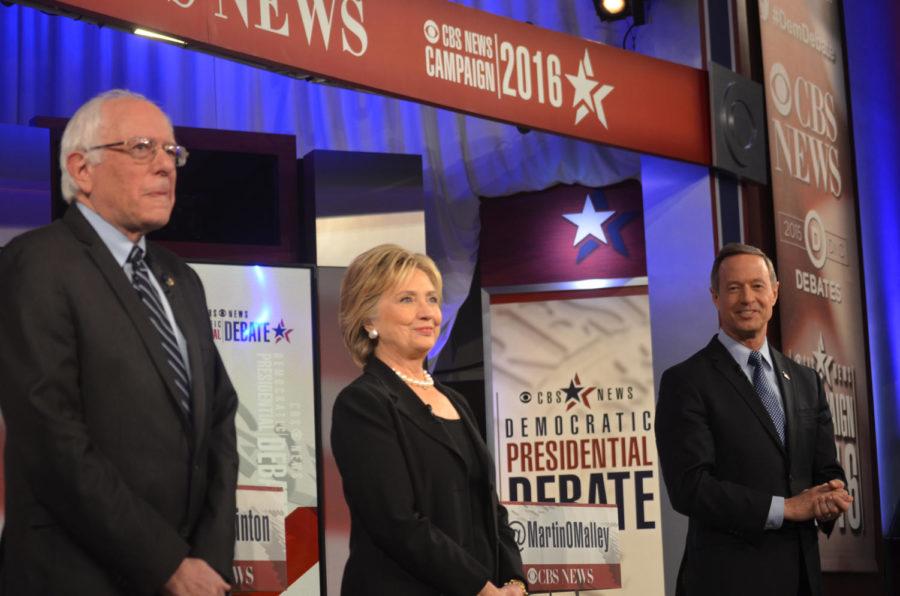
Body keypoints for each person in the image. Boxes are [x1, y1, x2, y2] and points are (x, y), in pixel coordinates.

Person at [0, 89, 238, 595]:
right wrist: (167, 563)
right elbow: (53, 439)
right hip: (76, 576)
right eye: (142, 148)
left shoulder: (182, 279)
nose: (166, 167)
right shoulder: (36, 264)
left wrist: (209, 561)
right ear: (82, 169)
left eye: (173, 153)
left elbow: (219, 420)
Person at [655, 243, 852, 596]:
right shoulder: (685, 381)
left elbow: (826, 470)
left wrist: (829, 498)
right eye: (734, 288)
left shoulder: (806, 380)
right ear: (715, 297)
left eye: (757, 286)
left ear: (775, 293)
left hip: (802, 581)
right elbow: (690, 488)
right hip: (727, 581)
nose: (747, 298)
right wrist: (785, 509)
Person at [331, 244, 527, 596]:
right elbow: (397, 522)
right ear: (368, 319)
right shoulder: (363, 403)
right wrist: (480, 587)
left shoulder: (455, 401)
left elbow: (489, 507)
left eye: (432, 299)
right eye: (407, 300)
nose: (427, 313)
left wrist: (512, 580)